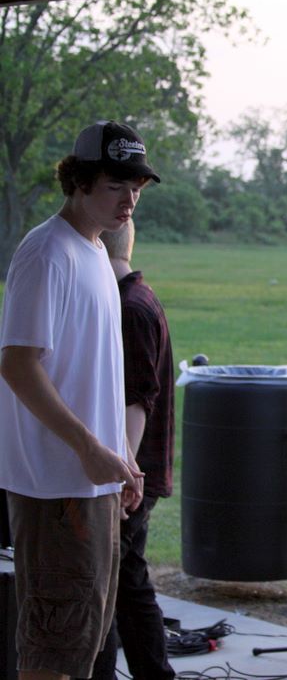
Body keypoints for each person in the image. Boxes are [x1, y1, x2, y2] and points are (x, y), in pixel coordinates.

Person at [0, 120, 156, 680]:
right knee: (52, 651)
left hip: (94, 483)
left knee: (81, 646)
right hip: (55, 489)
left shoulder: (94, 253)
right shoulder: (46, 253)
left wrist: (122, 457)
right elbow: (17, 365)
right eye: (116, 186)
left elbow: (94, 375)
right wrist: (89, 448)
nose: (129, 201)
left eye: (136, 187)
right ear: (79, 181)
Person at [84, 219, 176, 680]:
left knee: (110, 587)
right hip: (131, 471)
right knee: (123, 584)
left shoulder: (131, 308)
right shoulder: (129, 300)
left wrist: (122, 476)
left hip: (131, 474)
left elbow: (136, 399)